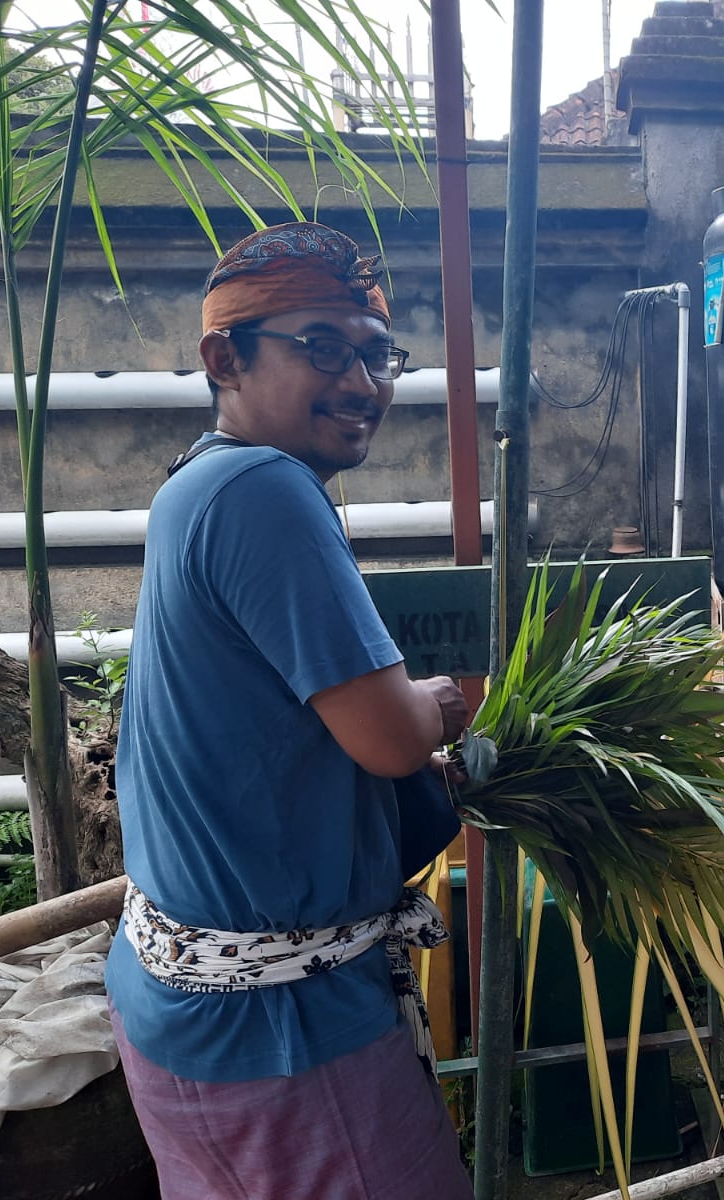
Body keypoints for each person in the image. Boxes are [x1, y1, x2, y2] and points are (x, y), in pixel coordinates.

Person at [104, 221, 474, 1198]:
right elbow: (391, 737)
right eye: (321, 347)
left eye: (375, 353)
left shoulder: (198, 484)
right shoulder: (267, 488)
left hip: (184, 1005)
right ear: (224, 357)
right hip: (280, 1027)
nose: (361, 384)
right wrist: (448, 697)